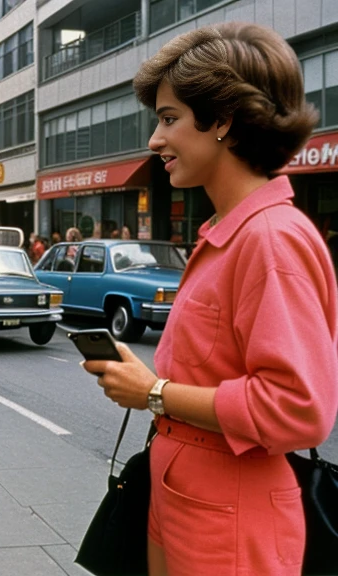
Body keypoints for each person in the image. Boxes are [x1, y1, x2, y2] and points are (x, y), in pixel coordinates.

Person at [82, 23, 338, 575]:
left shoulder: (270, 239)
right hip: (187, 493)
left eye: (170, 118)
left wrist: (155, 392)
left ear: (222, 120)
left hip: (230, 511)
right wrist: (150, 385)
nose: (155, 139)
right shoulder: (229, 232)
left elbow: (299, 408)